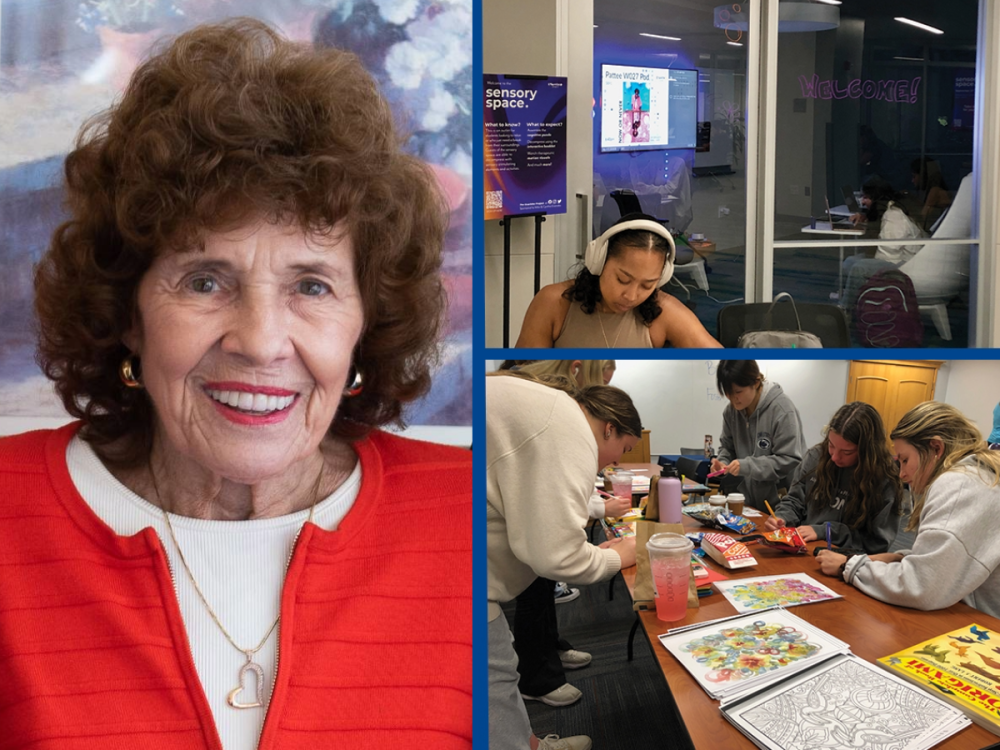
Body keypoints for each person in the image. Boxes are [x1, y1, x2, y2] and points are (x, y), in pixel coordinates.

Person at [0, 20, 470, 750]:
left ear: (363, 323)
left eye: (311, 286)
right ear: (129, 311)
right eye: (206, 280)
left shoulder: (462, 510)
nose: (258, 341)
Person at [488, 370, 640, 750]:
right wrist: (614, 559)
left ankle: (531, 743)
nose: (612, 464)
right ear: (609, 429)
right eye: (623, 449)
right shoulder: (567, 427)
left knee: (497, 672)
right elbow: (555, 556)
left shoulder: (554, 409)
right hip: (458, 571)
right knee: (494, 675)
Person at [510, 361, 627, 710]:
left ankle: (551, 651)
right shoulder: (556, 408)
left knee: (542, 589)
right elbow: (556, 491)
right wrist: (615, 554)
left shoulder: (558, 404)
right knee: (532, 592)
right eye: (603, 379)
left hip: (526, 518)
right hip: (518, 524)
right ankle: (537, 677)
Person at [817, 402, 1000, 619]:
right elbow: (954, 557)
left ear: (936, 449)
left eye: (905, 460)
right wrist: (900, 558)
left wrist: (849, 566)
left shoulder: (959, 484)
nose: (902, 474)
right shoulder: (979, 475)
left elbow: (921, 586)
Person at [515, 213, 721, 348]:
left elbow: (723, 363)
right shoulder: (554, 303)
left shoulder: (666, 311)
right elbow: (522, 379)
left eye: (647, 285)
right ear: (599, 261)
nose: (631, 296)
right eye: (622, 279)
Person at [765, 402, 903, 554]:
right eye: (831, 445)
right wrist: (782, 517)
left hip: (847, 563)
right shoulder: (815, 457)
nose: (835, 457)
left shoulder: (884, 479)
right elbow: (795, 501)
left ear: (867, 451)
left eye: (847, 452)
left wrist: (827, 531)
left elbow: (877, 544)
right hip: (805, 551)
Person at [709, 360, 805, 512]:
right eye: (728, 393)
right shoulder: (731, 412)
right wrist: (722, 462)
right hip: (748, 503)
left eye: (738, 392)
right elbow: (728, 447)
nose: (733, 399)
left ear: (756, 382)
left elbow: (790, 459)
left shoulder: (782, 410)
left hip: (781, 504)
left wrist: (747, 466)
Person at [910, 157, 952, 232]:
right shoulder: (933, 190)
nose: (912, 181)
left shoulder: (935, 191)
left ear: (923, 176)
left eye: (914, 176)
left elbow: (921, 220)